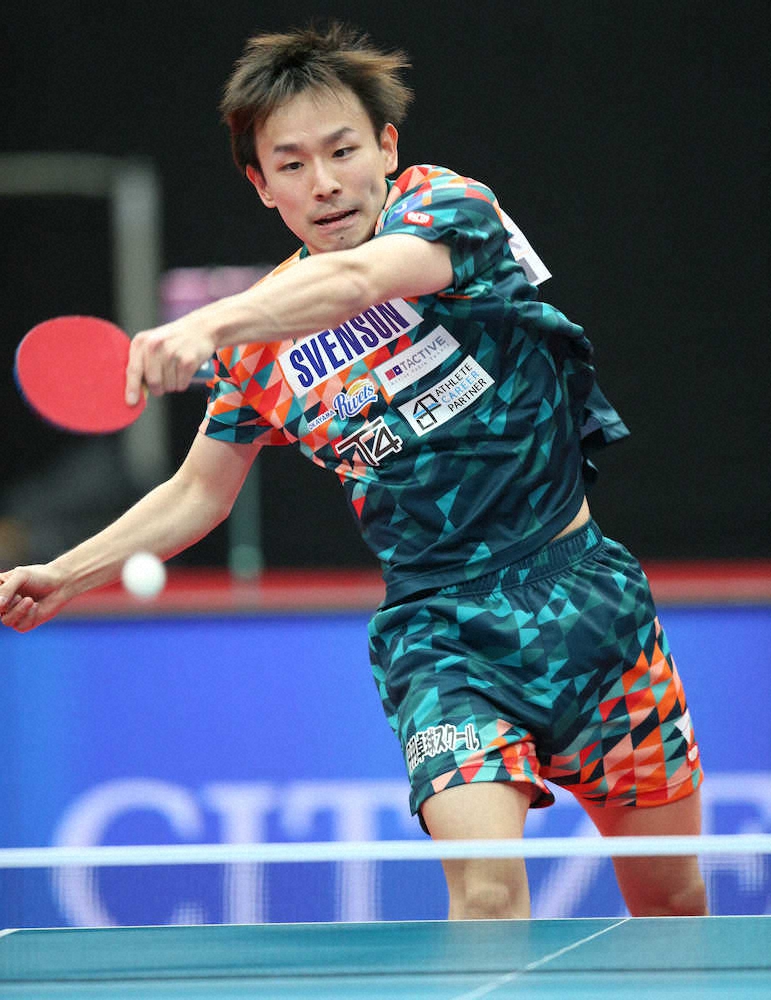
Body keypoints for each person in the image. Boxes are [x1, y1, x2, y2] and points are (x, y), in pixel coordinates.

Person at [0, 23, 707, 919]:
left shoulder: (448, 209)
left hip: (587, 606)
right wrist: (62, 575)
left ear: (386, 148)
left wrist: (211, 320)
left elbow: (363, 279)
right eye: (291, 164)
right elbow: (196, 492)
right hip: (441, 636)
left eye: (342, 151)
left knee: (671, 898)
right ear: (261, 186)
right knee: (487, 894)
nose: (324, 182)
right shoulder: (257, 347)